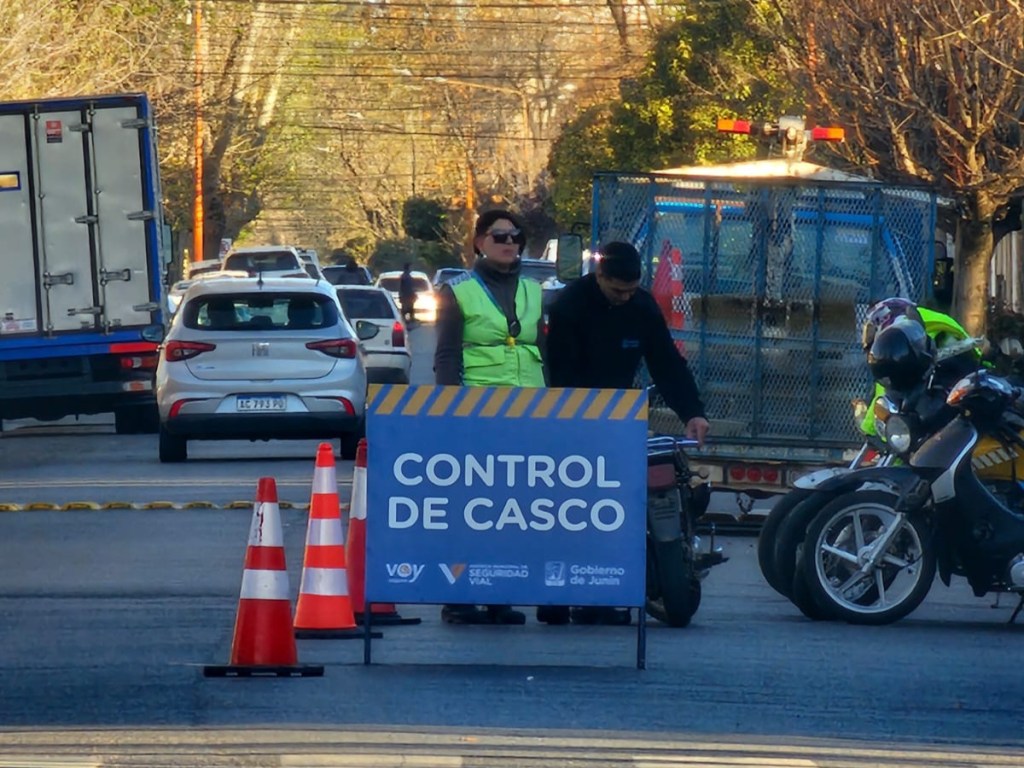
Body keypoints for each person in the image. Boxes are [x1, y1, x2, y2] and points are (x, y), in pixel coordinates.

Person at [543, 240, 710, 627]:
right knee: (569, 513)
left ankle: (602, 595)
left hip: (620, 418)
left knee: (614, 513)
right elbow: (561, 376)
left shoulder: (642, 306)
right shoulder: (569, 307)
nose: (625, 297)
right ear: (599, 276)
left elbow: (667, 364)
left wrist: (693, 413)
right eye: (618, 290)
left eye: (632, 290)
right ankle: (554, 596)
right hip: (571, 417)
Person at [433, 208, 545, 625]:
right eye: (500, 236)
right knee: (473, 508)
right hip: (478, 413)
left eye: (516, 237)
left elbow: (541, 353)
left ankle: (500, 595)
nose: (510, 243)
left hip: (528, 414)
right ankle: (460, 596)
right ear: (479, 241)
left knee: (513, 510)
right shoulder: (458, 290)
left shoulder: (534, 290)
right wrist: (450, 411)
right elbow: (445, 355)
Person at [858, 297, 978, 437]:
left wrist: (868, 428)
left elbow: (887, 390)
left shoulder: (903, 342)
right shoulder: (919, 328)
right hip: (968, 380)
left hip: (962, 403)